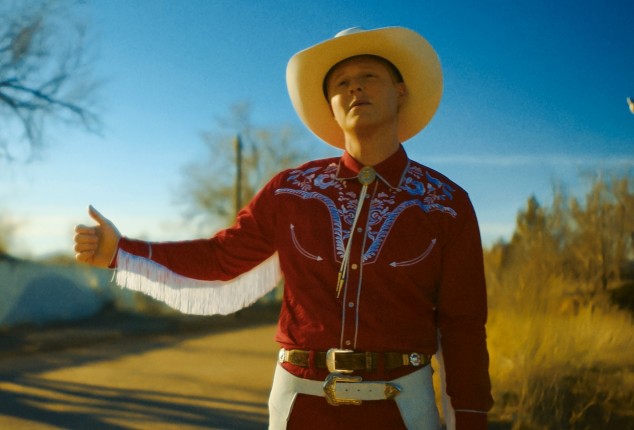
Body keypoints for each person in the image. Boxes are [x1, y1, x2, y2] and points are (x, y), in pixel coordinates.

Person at [74, 26, 493, 430]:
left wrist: (471, 417)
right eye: (341, 82)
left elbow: (463, 324)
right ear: (330, 105)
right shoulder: (290, 190)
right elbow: (221, 257)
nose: (355, 88)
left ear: (400, 91)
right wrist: (121, 251)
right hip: (300, 406)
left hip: (402, 407)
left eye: (369, 76)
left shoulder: (446, 203)